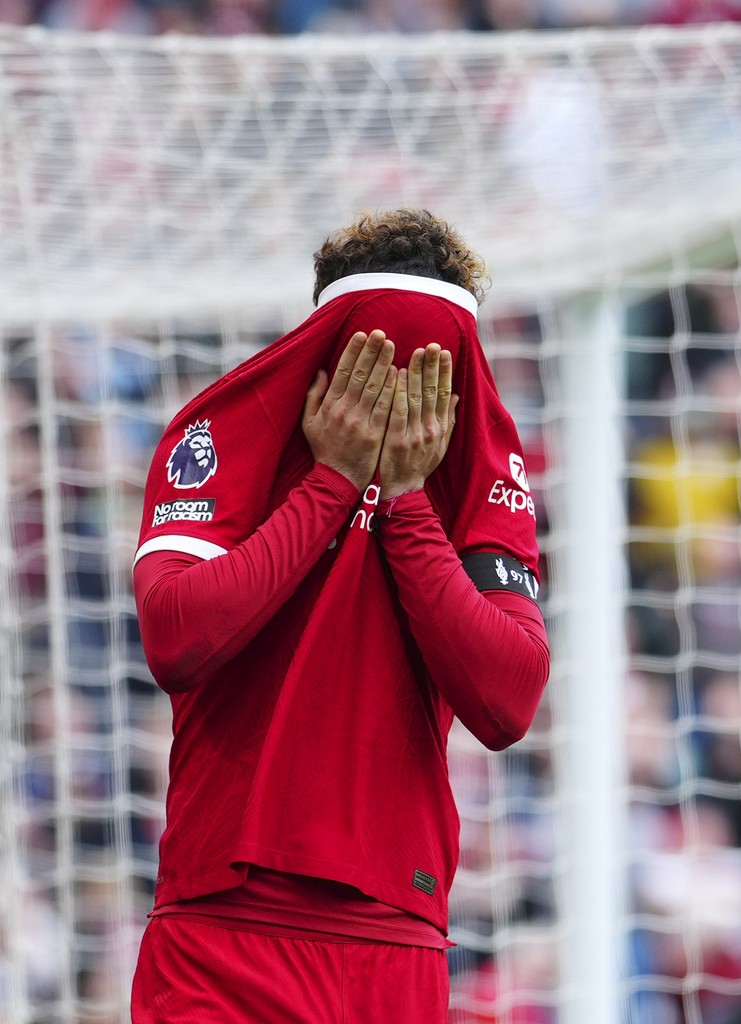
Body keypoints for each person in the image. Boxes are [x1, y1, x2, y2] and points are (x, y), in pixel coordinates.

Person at [129, 208, 550, 1022]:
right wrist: (329, 485)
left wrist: (403, 501)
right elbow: (175, 638)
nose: (396, 391)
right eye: (373, 356)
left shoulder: (471, 475)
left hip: (393, 937)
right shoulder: (224, 435)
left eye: (427, 369)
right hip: (223, 926)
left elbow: (507, 701)